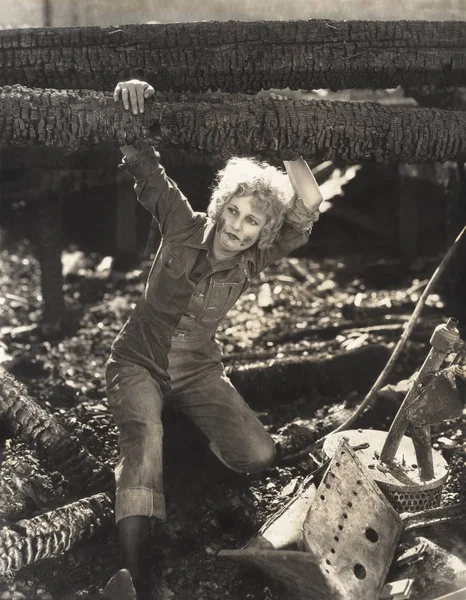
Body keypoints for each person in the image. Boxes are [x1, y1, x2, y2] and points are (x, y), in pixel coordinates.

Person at [104, 79, 323, 600]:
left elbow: (309, 201)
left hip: (199, 371)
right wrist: (129, 94)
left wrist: (286, 137)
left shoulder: (256, 260)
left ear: (262, 235)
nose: (239, 228)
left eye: (253, 223)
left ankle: (179, 441)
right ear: (220, 205)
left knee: (259, 454)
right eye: (234, 211)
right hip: (137, 360)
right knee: (143, 437)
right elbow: (142, 163)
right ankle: (136, 575)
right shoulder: (183, 224)